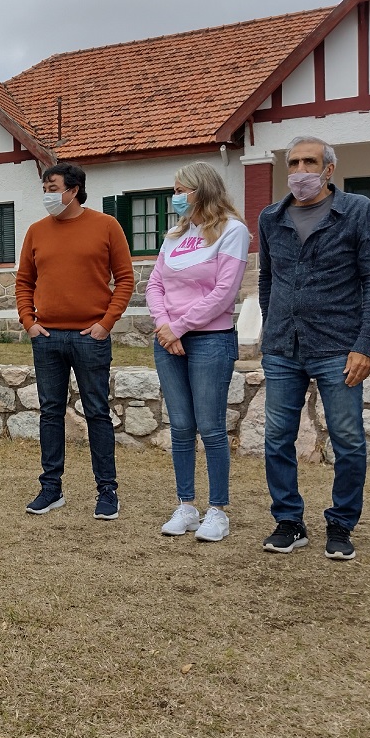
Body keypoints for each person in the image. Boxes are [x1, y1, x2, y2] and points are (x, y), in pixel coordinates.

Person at [258, 135, 370, 559]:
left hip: (339, 345)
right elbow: (267, 278)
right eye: (293, 163)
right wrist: (272, 322)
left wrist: (367, 343)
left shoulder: (357, 212)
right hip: (283, 346)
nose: (300, 171)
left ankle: (341, 524)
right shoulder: (270, 217)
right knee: (277, 437)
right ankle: (289, 521)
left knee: (348, 439)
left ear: (328, 168)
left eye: (309, 162)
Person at [15, 162, 134, 518]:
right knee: (50, 413)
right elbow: (24, 281)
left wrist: (106, 324)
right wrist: (28, 323)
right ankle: (51, 489)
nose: (47, 194)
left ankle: (107, 491)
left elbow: (125, 279)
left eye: (53, 187)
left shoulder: (107, 226)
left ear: (74, 189)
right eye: (44, 188)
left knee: (97, 412)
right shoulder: (36, 231)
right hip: (47, 336)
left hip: (90, 337)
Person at [146, 162, 249, 542]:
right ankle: (187, 505)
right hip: (168, 339)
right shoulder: (176, 234)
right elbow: (155, 284)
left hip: (210, 340)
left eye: (181, 189)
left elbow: (224, 292)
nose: (175, 197)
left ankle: (217, 510)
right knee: (181, 428)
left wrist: (180, 326)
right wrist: (164, 326)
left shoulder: (232, 231)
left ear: (202, 189)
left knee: (211, 427)